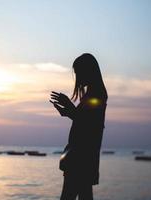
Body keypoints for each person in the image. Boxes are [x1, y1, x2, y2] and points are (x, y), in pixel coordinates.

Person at [49, 53, 108, 200]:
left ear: (88, 71)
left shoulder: (97, 94)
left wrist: (70, 107)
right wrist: (68, 112)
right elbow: (85, 120)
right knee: (84, 195)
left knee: (68, 196)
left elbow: (90, 124)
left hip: (81, 157)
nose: (77, 77)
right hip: (83, 157)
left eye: (78, 72)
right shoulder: (91, 94)